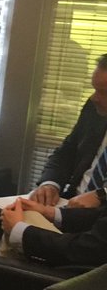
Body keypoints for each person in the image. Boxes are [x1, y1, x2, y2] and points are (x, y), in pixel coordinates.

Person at [28, 53, 107, 209]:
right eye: (95, 89)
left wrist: (102, 195)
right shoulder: (94, 110)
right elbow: (67, 152)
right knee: (8, 217)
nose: (94, 98)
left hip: (101, 217)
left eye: (104, 92)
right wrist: (50, 184)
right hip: (69, 206)